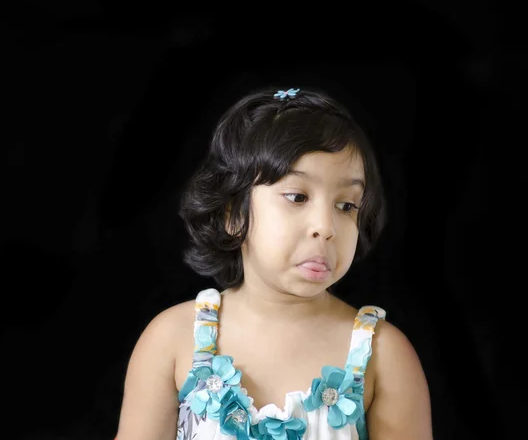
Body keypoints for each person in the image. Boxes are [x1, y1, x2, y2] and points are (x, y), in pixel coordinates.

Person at [114, 86, 432, 440]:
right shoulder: (172, 339)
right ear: (233, 215)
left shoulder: (384, 355)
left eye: (346, 206)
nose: (326, 228)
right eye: (297, 196)